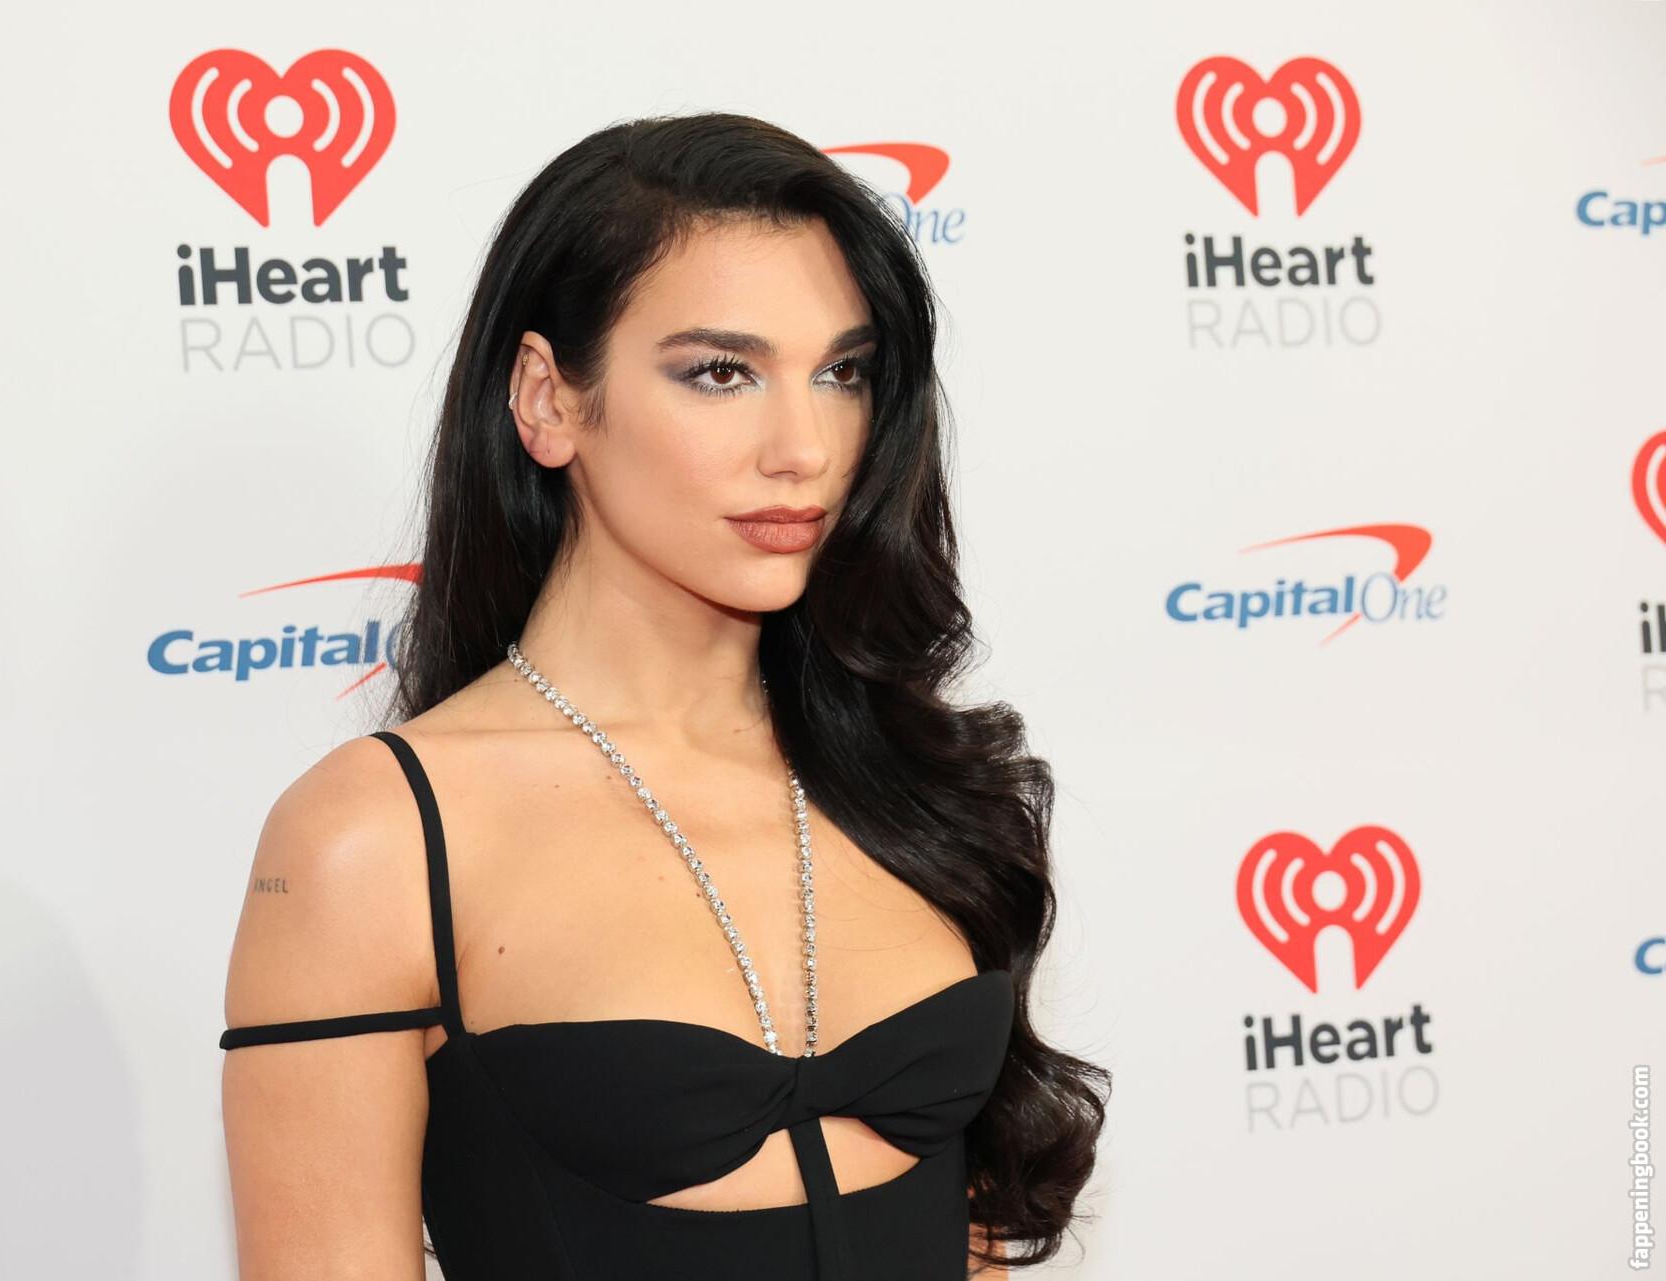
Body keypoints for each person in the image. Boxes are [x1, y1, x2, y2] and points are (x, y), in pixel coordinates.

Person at [217, 111, 1107, 1280]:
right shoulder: (376, 839)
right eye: (721, 373)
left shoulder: (919, 777)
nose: (804, 447)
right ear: (548, 400)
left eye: (842, 373)